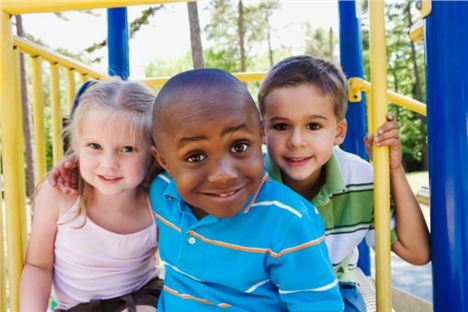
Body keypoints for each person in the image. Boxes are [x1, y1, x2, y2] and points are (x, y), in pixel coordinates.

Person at [50, 69, 345, 311]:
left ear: (260, 135)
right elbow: (121, 168)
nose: (222, 174)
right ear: (164, 162)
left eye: (239, 147)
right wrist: (74, 164)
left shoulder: (289, 221)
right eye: (195, 157)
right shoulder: (162, 192)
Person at [258, 55, 431, 311]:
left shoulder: (359, 179)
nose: (296, 141)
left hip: (334, 285)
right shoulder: (251, 182)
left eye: (313, 126)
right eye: (282, 126)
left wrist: (393, 170)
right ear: (262, 132)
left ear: (339, 132)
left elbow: (416, 252)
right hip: (266, 287)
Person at [20, 80, 163, 311]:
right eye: (95, 146)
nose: (109, 164)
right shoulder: (60, 196)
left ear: (154, 154)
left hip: (141, 297)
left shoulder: (159, 199)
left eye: (127, 149)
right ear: (77, 148)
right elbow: (38, 266)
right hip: (77, 307)